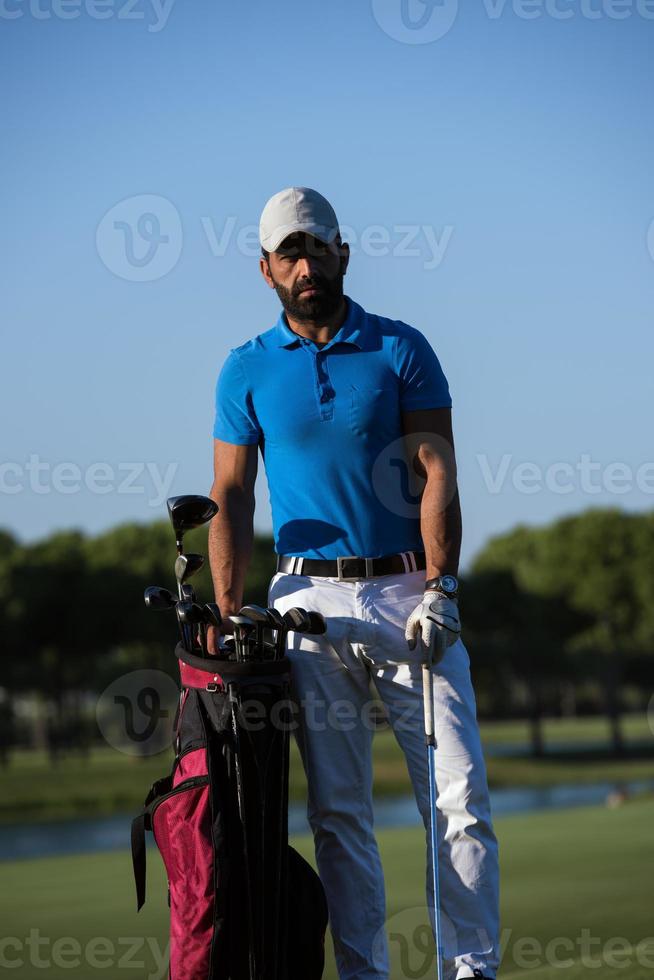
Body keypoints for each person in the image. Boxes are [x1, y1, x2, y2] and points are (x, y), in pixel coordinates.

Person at [207, 187, 499, 980]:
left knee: (459, 800)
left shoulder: (401, 348)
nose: (305, 266)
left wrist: (444, 585)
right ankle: (365, 975)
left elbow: (436, 468)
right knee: (339, 813)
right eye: (289, 254)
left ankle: (470, 971)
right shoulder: (246, 368)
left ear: (343, 251)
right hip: (307, 605)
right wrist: (231, 612)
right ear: (265, 268)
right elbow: (230, 497)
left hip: (410, 595)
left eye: (317, 249)